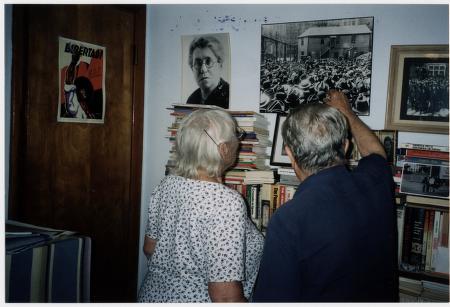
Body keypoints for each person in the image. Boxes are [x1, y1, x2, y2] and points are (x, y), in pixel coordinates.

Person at [252, 90, 398, 302]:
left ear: (289, 154)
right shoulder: (376, 181)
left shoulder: (289, 219)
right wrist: (347, 112)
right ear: (346, 147)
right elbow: (376, 152)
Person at [138, 109, 264, 302]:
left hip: (152, 296)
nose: (238, 142)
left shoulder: (165, 185)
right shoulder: (226, 202)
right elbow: (225, 298)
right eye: (236, 136)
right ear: (223, 149)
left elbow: (149, 247)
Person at [186, 36, 229, 108]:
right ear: (192, 68)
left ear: (220, 64)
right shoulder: (192, 100)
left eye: (208, 61)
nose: (203, 69)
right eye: (198, 63)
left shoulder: (229, 95)